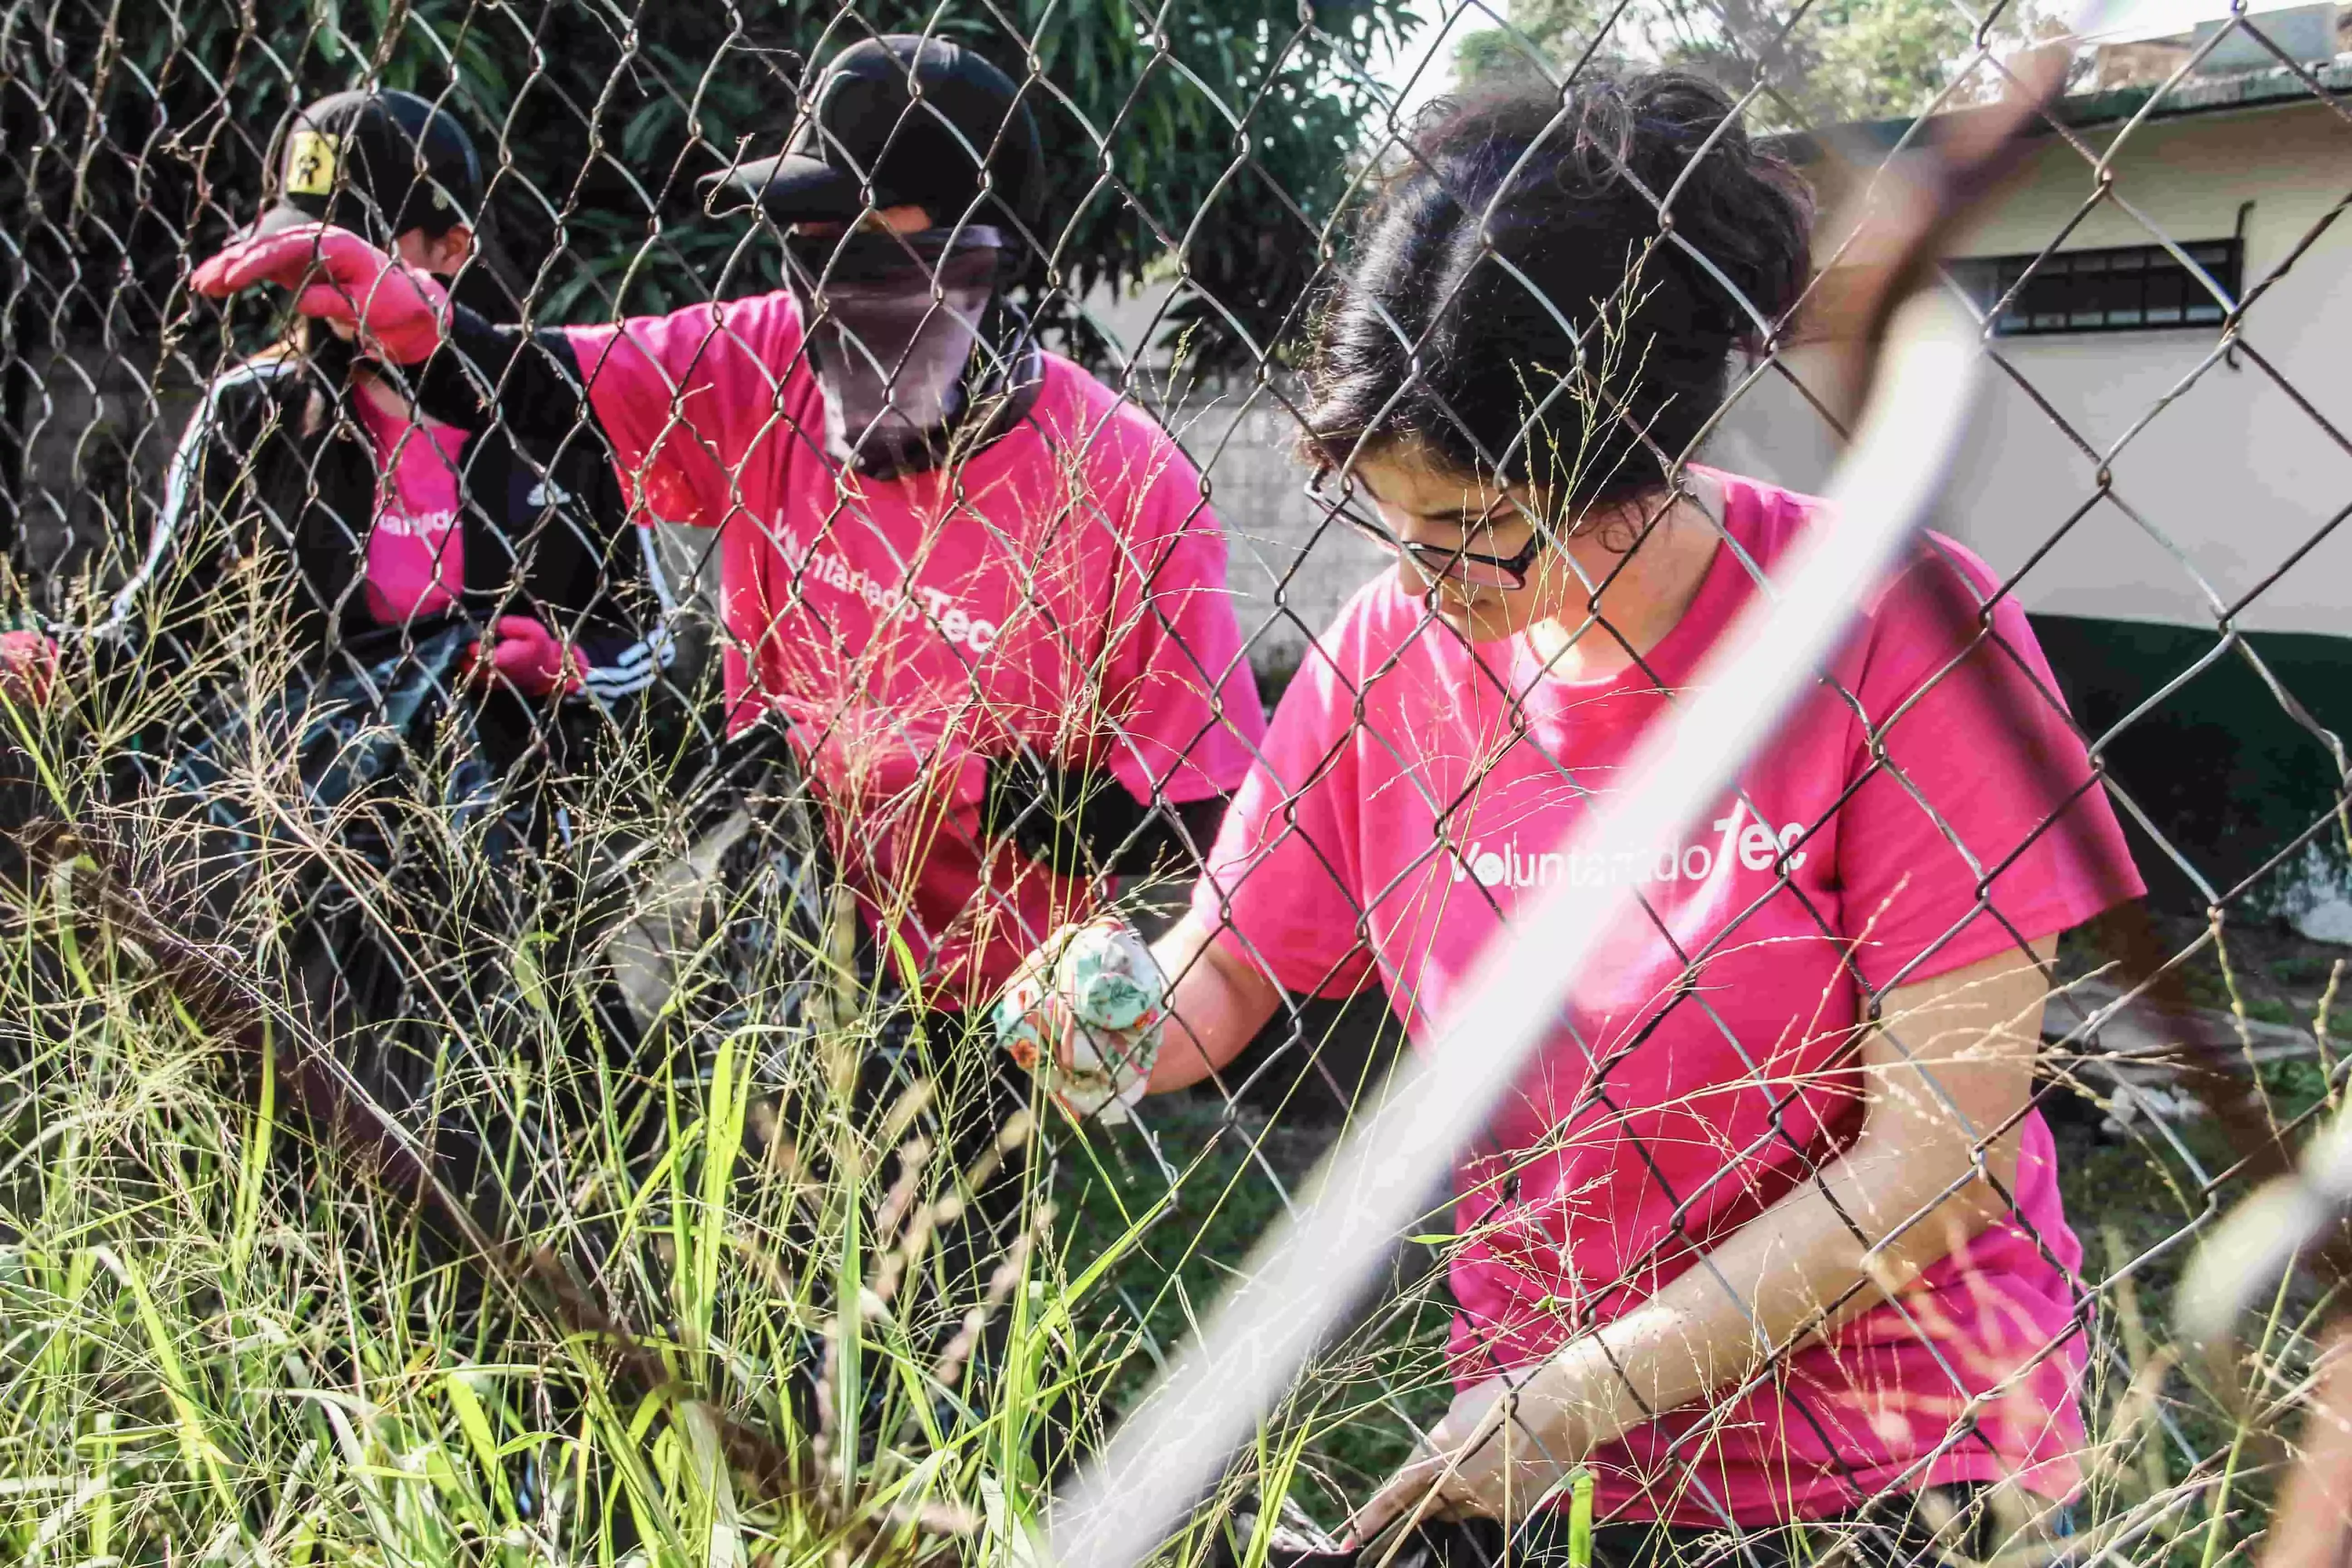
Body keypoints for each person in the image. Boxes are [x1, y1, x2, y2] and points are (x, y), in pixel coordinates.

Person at [1005, 73, 2143, 1564]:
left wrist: (1572, 1395)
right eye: (1390, 519)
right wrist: (1096, 1008)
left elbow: (1942, 1160)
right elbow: (1218, 974)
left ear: (1637, 461)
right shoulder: (1386, 656)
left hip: (1888, 1466)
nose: (1425, 577)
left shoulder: (1896, 626)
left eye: (1477, 527)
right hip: (1541, 1455)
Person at [191, 36, 1266, 1432]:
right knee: (706, 1358)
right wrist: (418, 328)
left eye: (877, 254)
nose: (829, 292)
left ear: (1004, 263)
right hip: (754, 961)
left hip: (976, 1014)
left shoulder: (1129, 488)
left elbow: (1205, 832)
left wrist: (1020, 817)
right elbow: (537, 399)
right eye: (808, 245)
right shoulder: (759, 361)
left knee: (942, 1395)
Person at [150, 87, 677, 1227]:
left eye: (362, 238)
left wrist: (568, 668)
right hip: (307, 870)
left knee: (527, 1192)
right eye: (307, 238)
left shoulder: (554, 412)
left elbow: (652, 640)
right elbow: (157, 638)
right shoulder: (251, 418)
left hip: (515, 874)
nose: (325, 271)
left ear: (451, 248)